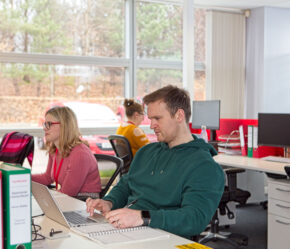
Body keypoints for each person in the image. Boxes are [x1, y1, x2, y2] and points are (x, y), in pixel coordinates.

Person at [86, 85, 224, 238]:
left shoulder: (204, 166)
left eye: (157, 118)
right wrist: (109, 202)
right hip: (130, 231)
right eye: (150, 119)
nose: (151, 126)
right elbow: (126, 185)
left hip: (164, 237)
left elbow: (194, 219)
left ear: (179, 116)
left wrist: (142, 217)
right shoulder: (146, 152)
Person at [32, 106, 101, 199]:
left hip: (85, 202)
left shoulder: (80, 154)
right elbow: (47, 177)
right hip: (69, 199)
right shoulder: (55, 150)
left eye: (49, 124)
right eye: (45, 124)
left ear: (64, 126)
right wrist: (23, 177)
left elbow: (67, 193)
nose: (45, 128)